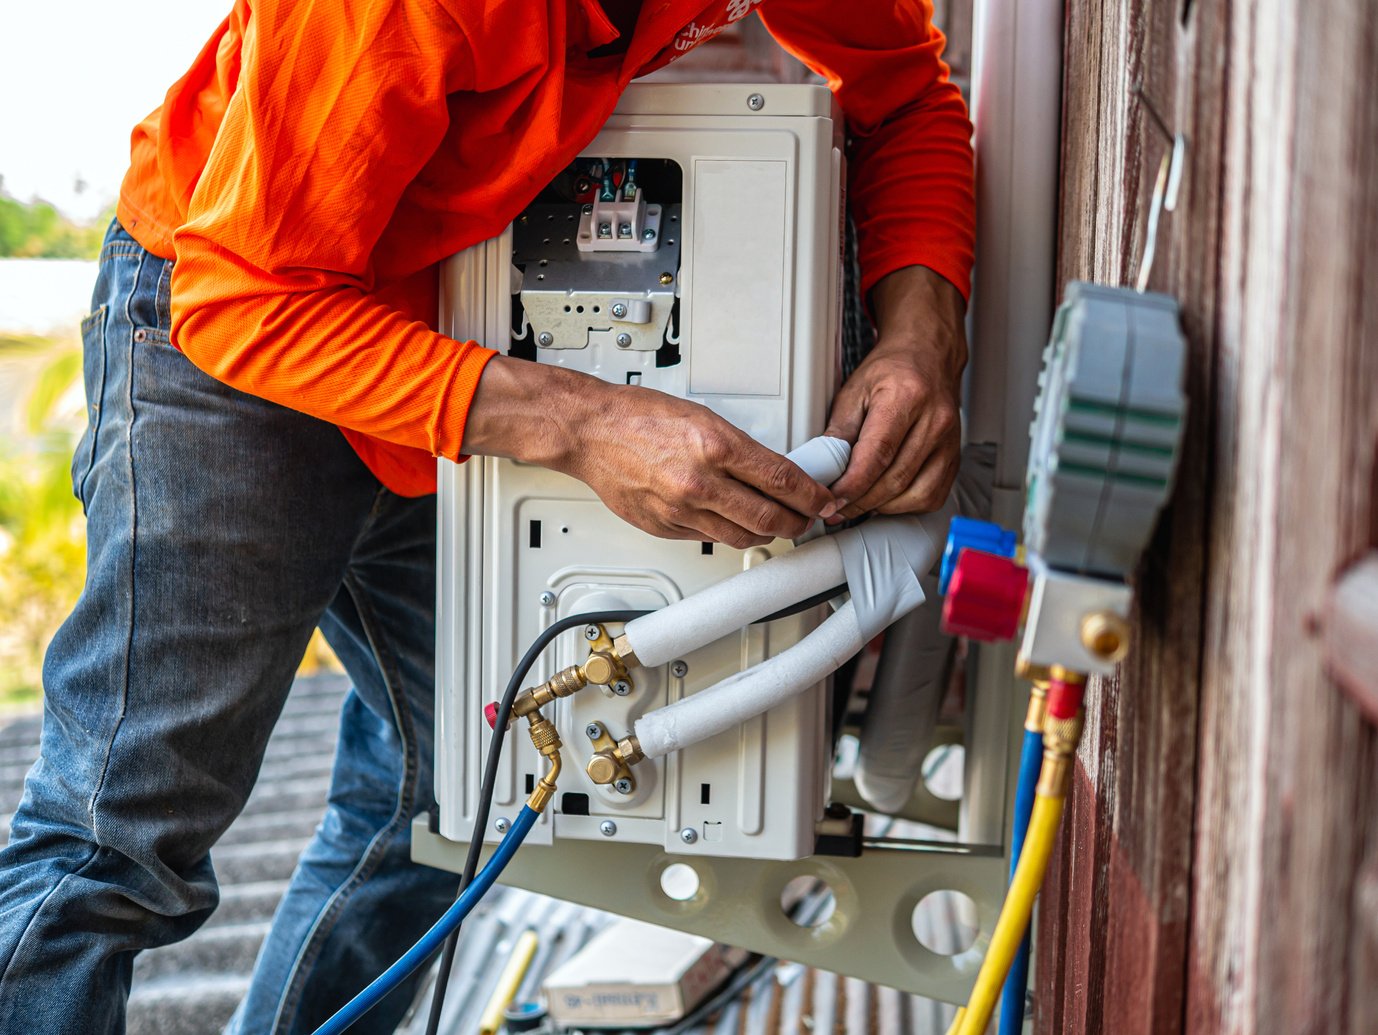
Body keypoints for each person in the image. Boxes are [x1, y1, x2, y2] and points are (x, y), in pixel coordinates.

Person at [0, 1, 974, 1031]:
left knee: (452, 787)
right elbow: (243, 298)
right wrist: (586, 424)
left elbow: (905, 89)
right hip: (236, 333)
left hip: (443, 314)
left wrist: (919, 332)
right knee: (121, 834)